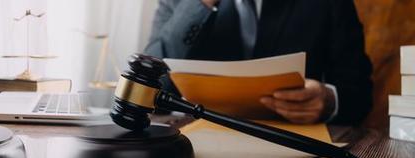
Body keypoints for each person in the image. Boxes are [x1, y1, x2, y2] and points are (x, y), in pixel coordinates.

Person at [145, 0, 373, 125]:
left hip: (293, 145)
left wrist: (329, 101)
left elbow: (359, 94)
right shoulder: (178, 3)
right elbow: (151, 88)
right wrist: (200, 4)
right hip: (198, 142)